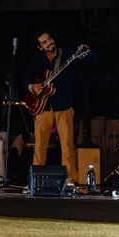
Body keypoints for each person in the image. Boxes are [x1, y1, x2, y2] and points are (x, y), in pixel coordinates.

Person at [21, 30, 94, 185]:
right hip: (43, 107)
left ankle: (70, 181)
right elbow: (25, 76)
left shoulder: (67, 54)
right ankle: (36, 181)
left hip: (64, 105)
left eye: (50, 39)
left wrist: (87, 52)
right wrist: (31, 87)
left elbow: (92, 61)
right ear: (40, 47)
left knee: (67, 145)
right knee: (40, 146)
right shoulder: (36, 58)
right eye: (45, 42)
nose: (49, 42)